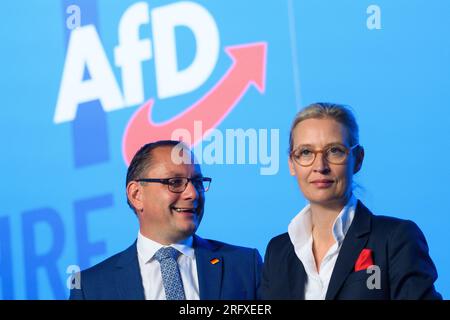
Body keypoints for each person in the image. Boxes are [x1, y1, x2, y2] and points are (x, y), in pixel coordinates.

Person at [260, 103, 442, 300]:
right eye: (305, 152)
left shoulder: (395, 239)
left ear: (358, 159)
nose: (320, 166)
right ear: (291, 164)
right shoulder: (278, 251)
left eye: (335, 151)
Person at [70, 140, 262, 300]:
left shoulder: (244, 265)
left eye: (197, 182)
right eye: (175, 182)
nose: (192, 193)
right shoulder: (90, 287)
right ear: (136, 194)